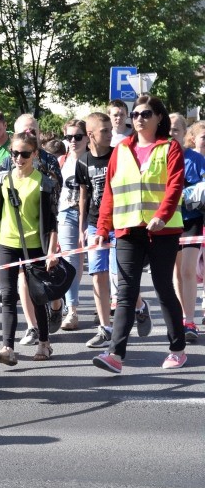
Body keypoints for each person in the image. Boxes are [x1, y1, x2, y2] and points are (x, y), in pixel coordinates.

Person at [92, 95, 187, 373]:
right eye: (135, 114)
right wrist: (102, 229)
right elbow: (109, 193)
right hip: (128, 228)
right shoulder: (121, 149)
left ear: (159, 117)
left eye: (145, 114)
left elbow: (174, 186)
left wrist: (162, 216)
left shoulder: (170, 147)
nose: (138, 119)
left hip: (163, 229)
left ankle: (177, 349)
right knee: (125, 292)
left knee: (162, 286)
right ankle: (115, 355)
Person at [0, 132, 60, 364]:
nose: (19, 158)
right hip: (6, 243)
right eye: (14, 153)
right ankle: (7, 348)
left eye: (25, 153)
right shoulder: (2, 179)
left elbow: (52, 220)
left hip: (34, 246)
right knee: (7, 296)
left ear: (35, 154)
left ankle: (44, 344)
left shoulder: (44, 182)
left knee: (38, 296)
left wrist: (51, 250)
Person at [76, 112, 120, 349]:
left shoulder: (118, 155)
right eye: (104, 131)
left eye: (110, 130)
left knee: (118, 275)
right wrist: (83, 227)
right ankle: (105, 328)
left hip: (118, 224)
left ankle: (139, 306)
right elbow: (84, 195)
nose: (110, 133)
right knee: (98, 275)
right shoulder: (83, 161)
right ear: (91, 134)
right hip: (94, 224)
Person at [56, 120, 89, 331]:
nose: (73, 141)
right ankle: (72, 309)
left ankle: (107, 307)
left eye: (78, 136)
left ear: (87, 137)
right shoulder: (61, 161)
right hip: (66, 213)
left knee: (90, 263)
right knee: (70, 261)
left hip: (89, 216)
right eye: (69, 137)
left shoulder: (91, 160)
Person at [179, 120, 205, 340]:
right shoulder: (160, 157)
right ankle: (179, 316)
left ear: (184, 133)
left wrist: (191, 193)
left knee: (188, 270)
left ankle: (189, 321)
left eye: (176, 130)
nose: (172, 134)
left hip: (192, 220)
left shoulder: (196, 159)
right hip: (168, 221)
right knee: (175, 272)